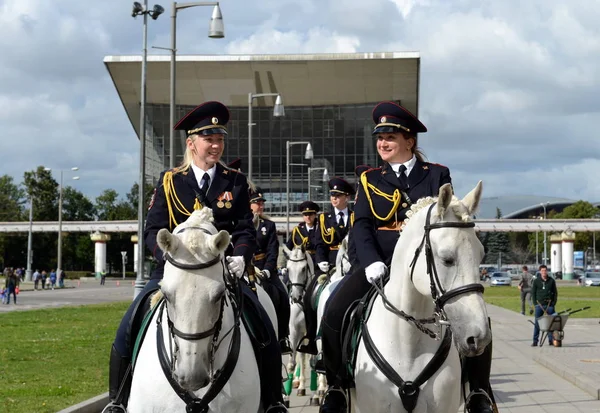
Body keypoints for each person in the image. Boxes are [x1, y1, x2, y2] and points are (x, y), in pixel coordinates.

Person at [103, 101, 287, 413]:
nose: (216, 146)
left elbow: (245, 230)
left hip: (223, 273)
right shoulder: (170, 181)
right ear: (192, 143)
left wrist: (242, 257)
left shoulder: (235, 182)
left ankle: (273, 400)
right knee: (130, 322)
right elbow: (153, 229)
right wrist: (167, 256)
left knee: (262, 325)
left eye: (220, 140)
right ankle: (118, 400)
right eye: (209, 139)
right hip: (174, 272)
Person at [319, 101, 495, 413]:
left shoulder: (437, 175)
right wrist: (371, 261)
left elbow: (447, 223)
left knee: (475, 317)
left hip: (427, 268)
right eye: (380, 138)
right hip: (379, 267)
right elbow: (361, 225)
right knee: (335, 309)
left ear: (409, 141)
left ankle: (478, 391)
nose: (382, 143)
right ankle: (336, 386)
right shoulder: (370, 179)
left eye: (390, 137)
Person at [249, 186, 292, 354]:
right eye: (256, 203)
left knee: (282, 296)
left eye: (261, 203)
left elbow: (273, 250)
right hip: (245, 268)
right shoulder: (241, 223)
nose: (260, 206)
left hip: (264, 269)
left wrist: (267, 269)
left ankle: (282, 337)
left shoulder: (269, 225)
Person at [285, 200, 328, 355]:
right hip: (299, 269)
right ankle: (285, 330)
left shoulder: (321, 227)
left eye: (310, 214)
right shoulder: (297, 230)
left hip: (318, 267)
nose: (308, 217)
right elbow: (288, 248)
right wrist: (285, 264)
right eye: (305, 215)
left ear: (315, 215)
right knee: (286, 286)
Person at [531, 264, 558, 347]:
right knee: (537, 323)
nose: (544, 272)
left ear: (547, 271)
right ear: (540, 272)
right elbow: (533, 293)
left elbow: (555, 293)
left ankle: (551, 340)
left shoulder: (551, 281)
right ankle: (535, 341)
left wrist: (553, 303)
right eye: (542, 271)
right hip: (539, 305)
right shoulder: (536, 281)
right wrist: (535, 303)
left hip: (549, 305)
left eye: (545, 271)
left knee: (550, 323)